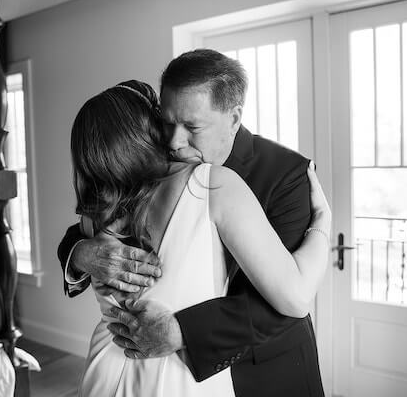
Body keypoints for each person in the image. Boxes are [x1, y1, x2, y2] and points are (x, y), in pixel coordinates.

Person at [58, 50, 328, 397]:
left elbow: (280, 309)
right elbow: (296, 293)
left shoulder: (286, 175)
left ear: (233, 118)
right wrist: (81, 254)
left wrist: (182, 331)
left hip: (261, 371)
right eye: (166, 122)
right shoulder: (167, 172)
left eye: (192, 127)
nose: (173, 140)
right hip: (153, 370)